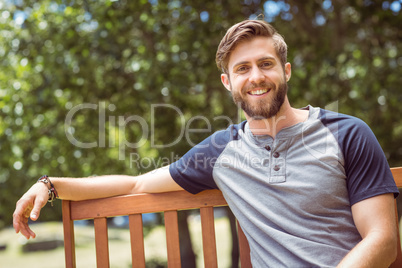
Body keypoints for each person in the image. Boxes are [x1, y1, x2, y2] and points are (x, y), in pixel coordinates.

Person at [13, 19, 399, 267]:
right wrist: (51, 185)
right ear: (228, 82)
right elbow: (136, 184)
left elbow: (382, 240)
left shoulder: (347, 133)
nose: (256, 77)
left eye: (265, 64)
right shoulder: (222, 151)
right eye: (242, 68)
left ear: (286, 71)